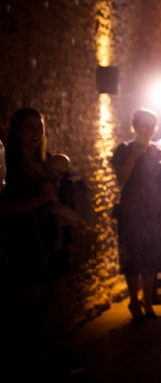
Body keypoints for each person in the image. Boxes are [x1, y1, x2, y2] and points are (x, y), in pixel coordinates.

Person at [0, 108, 69, 369]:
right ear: (18, 129)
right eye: (31, 127)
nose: (37, 133)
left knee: (50, 305)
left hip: (51, 240)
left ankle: (43, 356)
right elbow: (3, 207)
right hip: (27, 241)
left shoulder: (46, 162)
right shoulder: (11, 167)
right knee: (27, 308)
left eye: (40, 128)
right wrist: (39, 200)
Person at [111, 108, 161, 322]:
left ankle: (147, 301)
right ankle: (133, 300)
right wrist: (135, 155)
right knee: (133, 255)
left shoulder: (158, 150)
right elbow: (121, 178)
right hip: (133, 207)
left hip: (154, 208)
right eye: (143, 125)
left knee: (151, 255)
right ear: (135, 127)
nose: (147, 130)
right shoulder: (124, 149)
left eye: (151, 126)